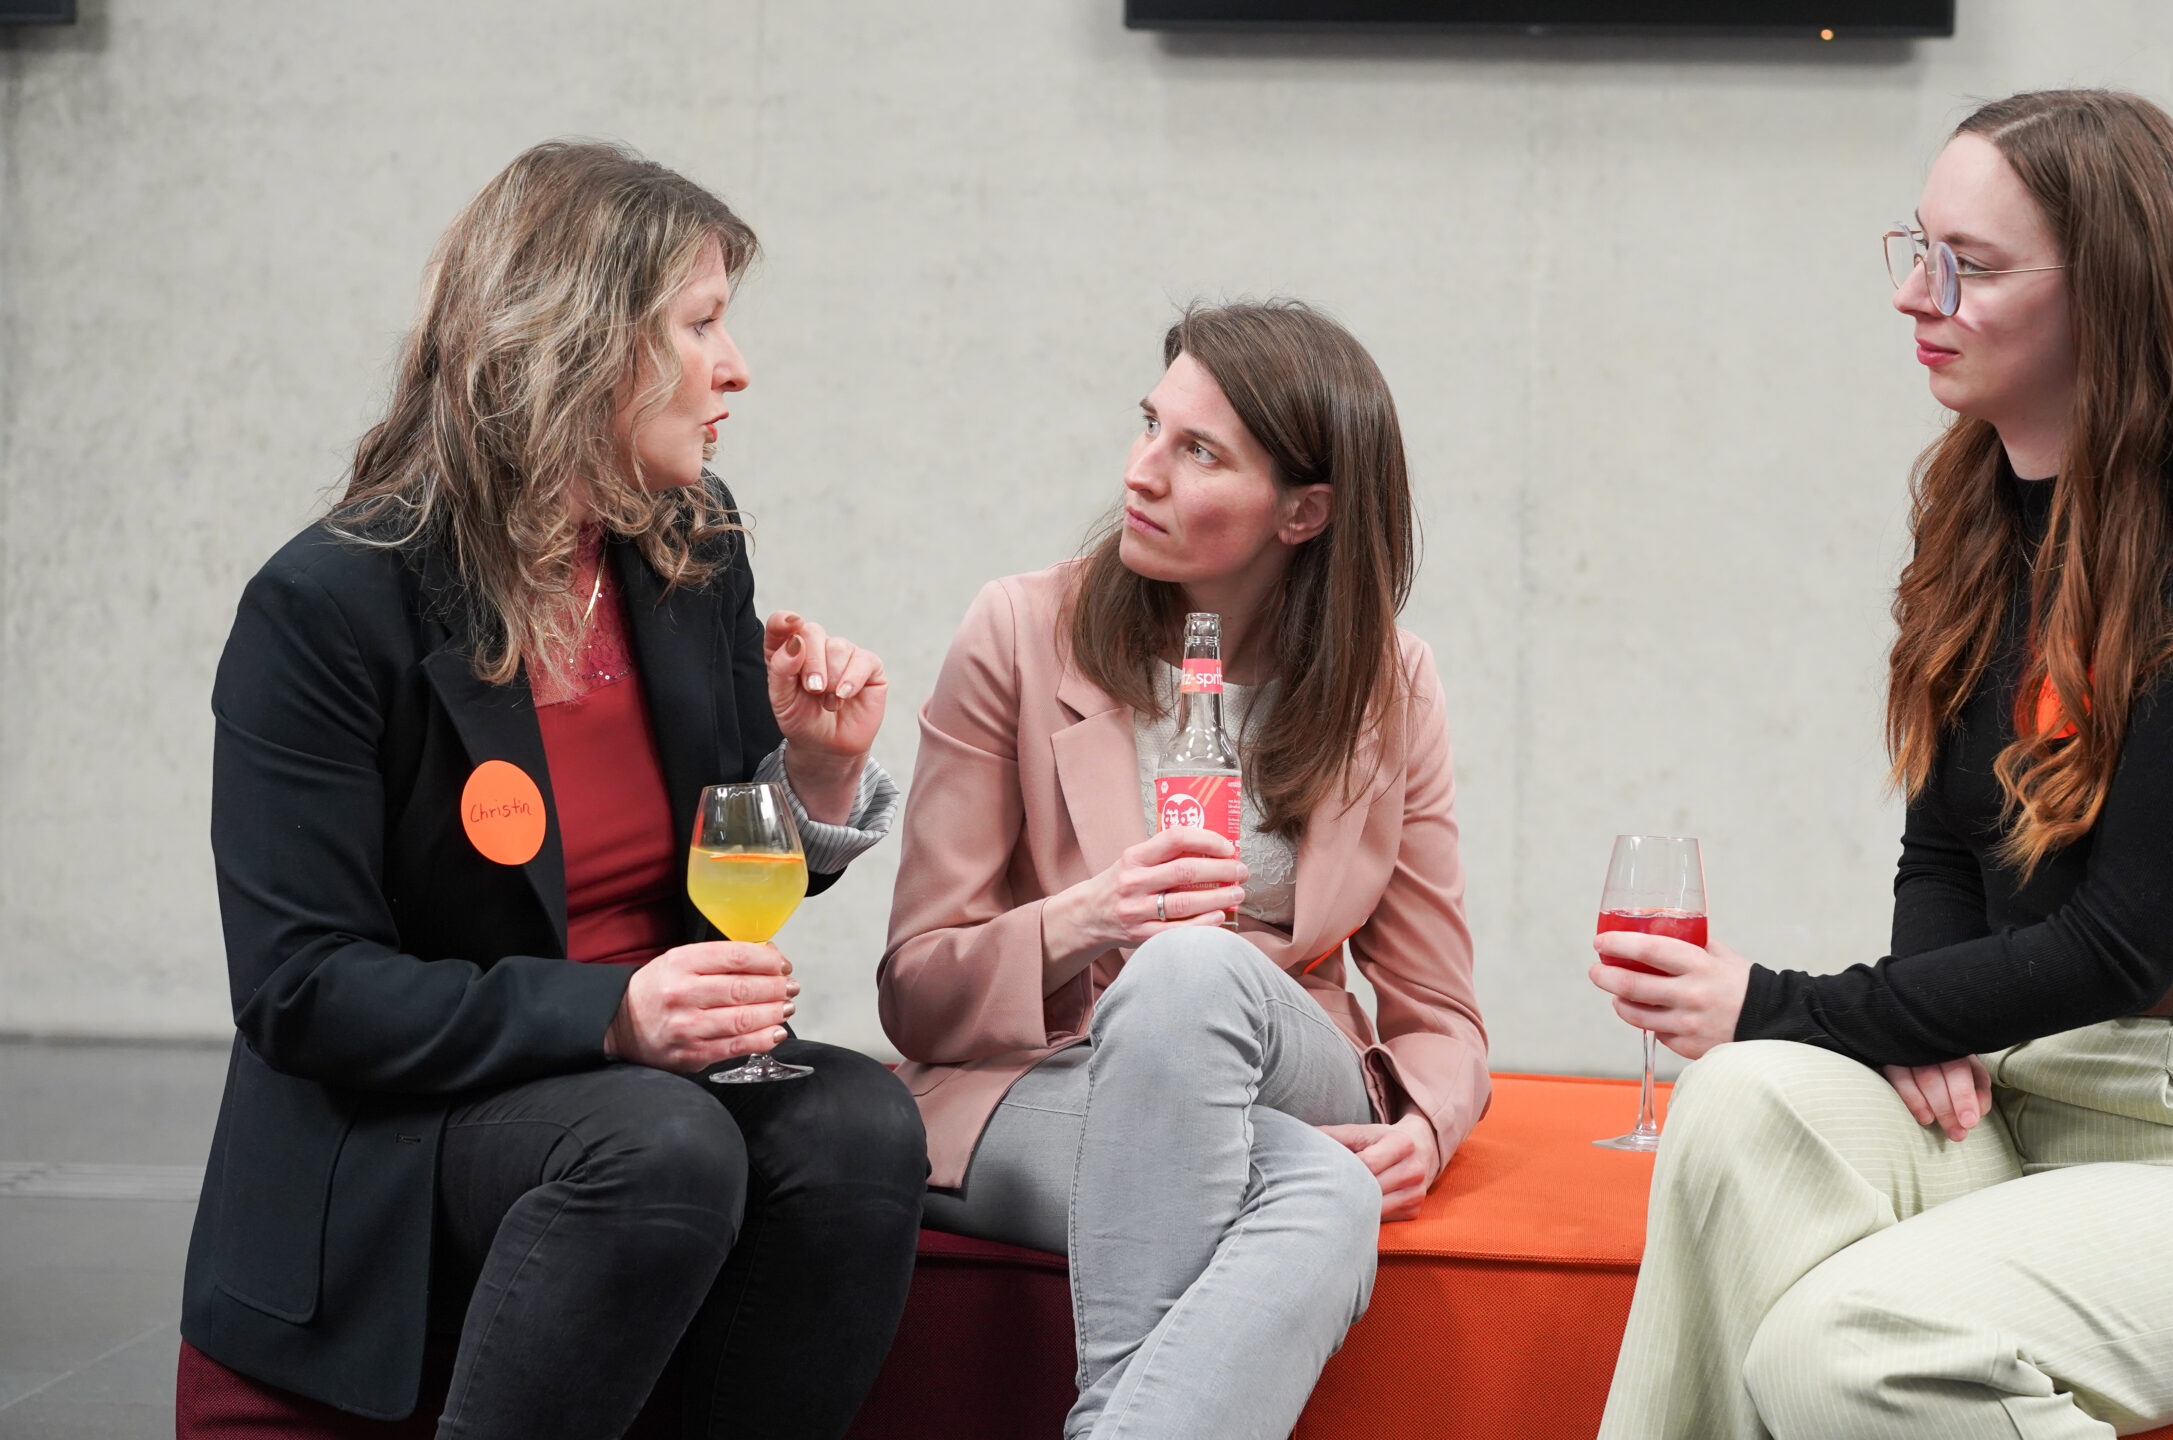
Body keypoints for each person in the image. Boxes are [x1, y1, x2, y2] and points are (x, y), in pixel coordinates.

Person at [1592, 91, 2173, 1439]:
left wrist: (1785, 1000)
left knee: (1845, 1356)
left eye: (1971, 263)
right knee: (1736, 1108)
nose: (1916, 293)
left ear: (2115, 296)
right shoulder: (1976, 521)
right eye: (1916, 246)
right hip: (2032, 1095)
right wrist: (1926, 1022)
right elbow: (1945, 849)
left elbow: (2123, 946)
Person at [180, 141, 927, 1440]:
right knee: (659, 1145)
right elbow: (302, 991)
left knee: (861, 1122)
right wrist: (615, 1013)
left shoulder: (692, 540)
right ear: (585, 347)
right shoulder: (326, 604)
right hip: (417, 1114)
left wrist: (812, 770)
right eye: (700, 326)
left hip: (643, 1084)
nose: (736, 367)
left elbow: (735, 856)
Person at [882, 300, 1489, 1440]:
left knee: (1192, 975)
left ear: (1303, 512)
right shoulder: (1016, 633)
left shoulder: (1389, 686)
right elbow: (915, 987)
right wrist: (1080, 918)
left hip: (1279, 1055)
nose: (1140, 473)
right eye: (1149, 426)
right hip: (1041, 1077)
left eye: (1197, 451)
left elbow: (1441, 1013)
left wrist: (1425, 1125)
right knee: (1319, 1198)